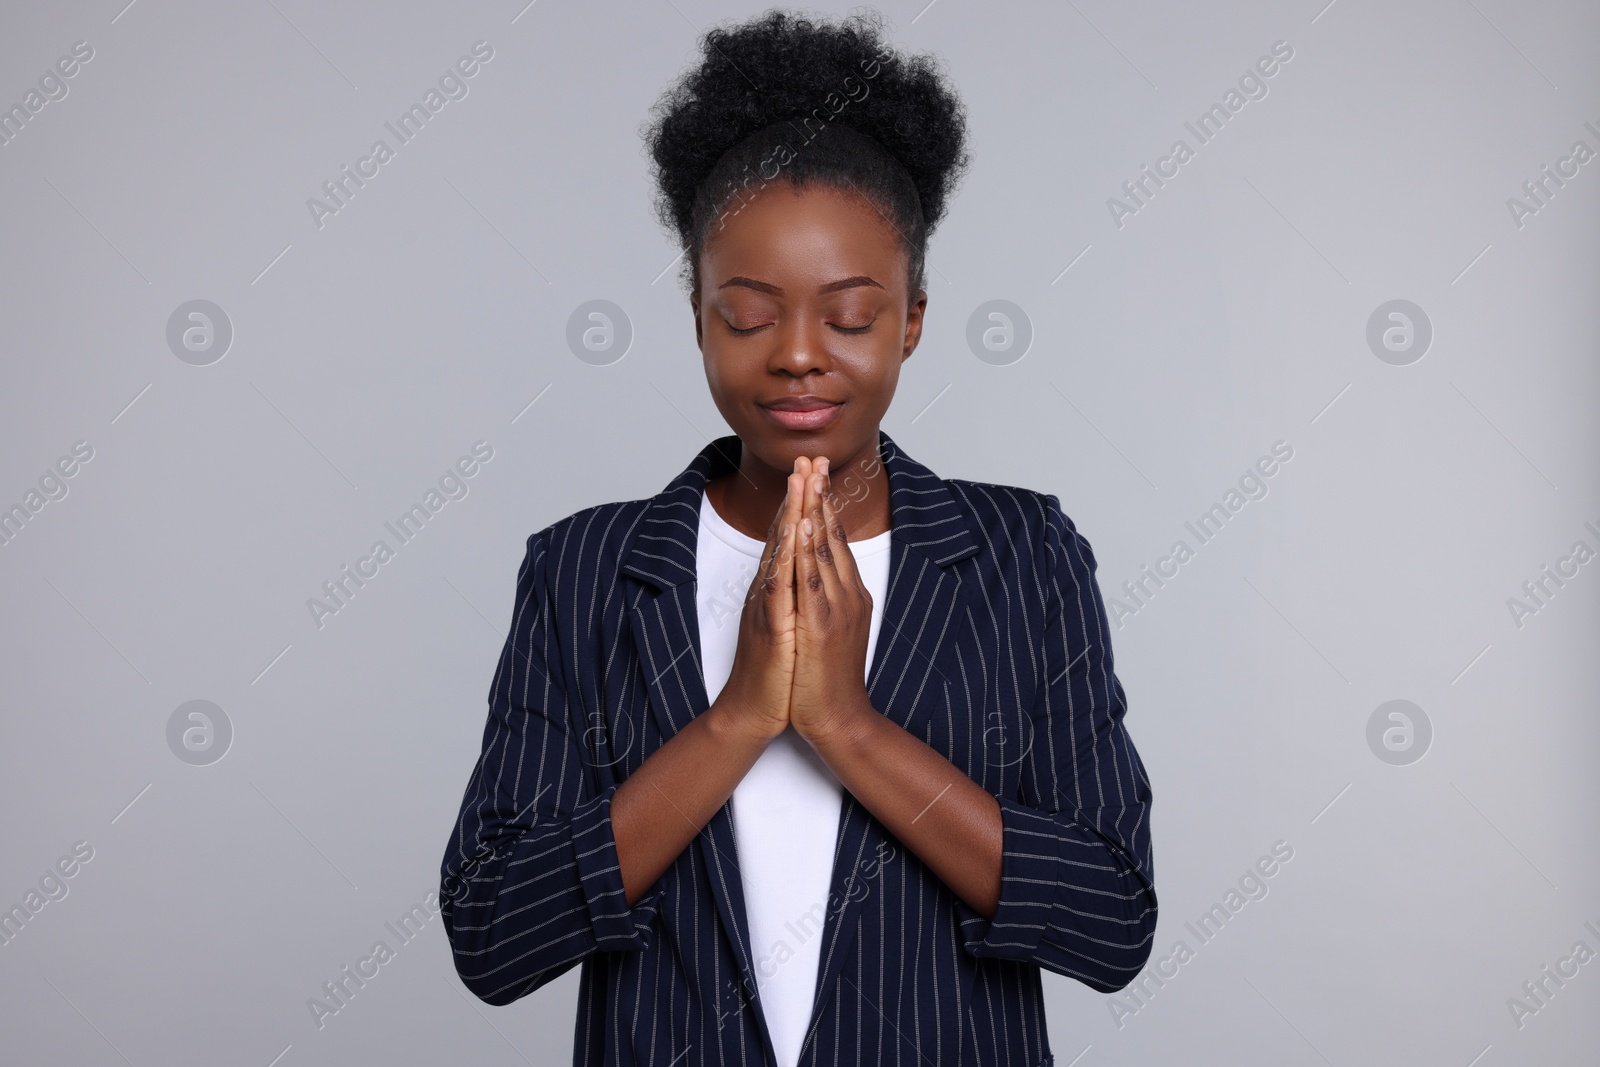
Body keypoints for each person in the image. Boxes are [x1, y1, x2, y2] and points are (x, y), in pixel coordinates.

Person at [439, 10, 1157, 1066]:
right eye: (749, 314)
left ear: (912, 316)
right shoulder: (584, 570)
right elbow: (494, 934)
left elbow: (1109, 923)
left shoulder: (1023, 554)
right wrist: (735, 718)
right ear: (695, 313)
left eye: (851, 314)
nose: (798, 356)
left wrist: (849, 726)